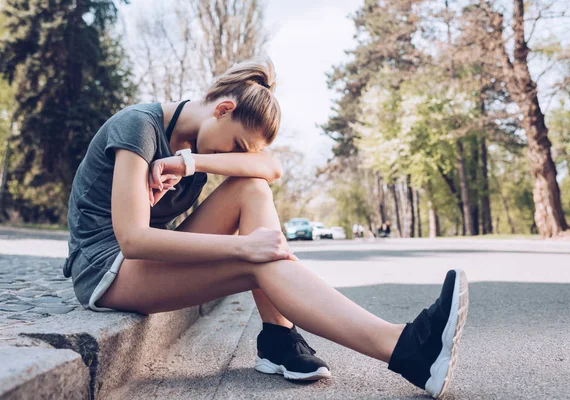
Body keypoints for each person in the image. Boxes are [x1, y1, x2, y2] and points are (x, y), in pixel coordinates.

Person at [63, 56, 469, 398]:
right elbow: (133, 240)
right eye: (238, 146)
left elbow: (269, 168)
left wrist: (192, 163)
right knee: (259, 258)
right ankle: (404, 348)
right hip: (106, 271)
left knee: (252, 189)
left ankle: (279, 339)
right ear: (222, 109)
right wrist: (244, 248)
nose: (233, 158)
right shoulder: (138, 127)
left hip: (145, 261)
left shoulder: (193, 151)